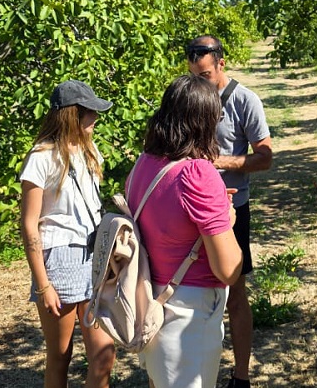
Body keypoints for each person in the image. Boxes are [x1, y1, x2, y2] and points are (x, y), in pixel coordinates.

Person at [127, 74, 243, 388]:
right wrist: (225, 220)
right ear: (204, 122)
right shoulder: (197, 173)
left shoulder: (144, 164)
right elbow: (230, 269)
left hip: (152, 300)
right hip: (188, 314)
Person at [186, 35, 273, 388]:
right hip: (189, 210)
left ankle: (240, 376)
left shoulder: (243, 100)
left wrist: (218, 162)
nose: (199, 83)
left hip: (231, 211)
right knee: (192, 291)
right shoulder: (189, 98)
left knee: (234, 291)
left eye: (205, 75)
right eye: (194, 75)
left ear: (222, 63)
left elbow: (265, 157)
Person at [19, 80, 116, 388]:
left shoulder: (90, 151)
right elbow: (29, 223)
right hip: (58, 258)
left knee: (104, 354)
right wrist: (44, 284)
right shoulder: (42, 157)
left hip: (93, 255)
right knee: (60, 355)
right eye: (90, 113)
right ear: (73, 115)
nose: (96, 119)